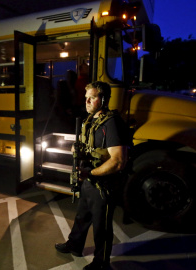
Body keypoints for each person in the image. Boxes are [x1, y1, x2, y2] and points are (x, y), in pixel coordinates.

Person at [55, 81, 129, 270]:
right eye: (86, 97)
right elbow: (85, 144)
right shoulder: (90, 120)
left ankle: (101, 262)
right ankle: (74, 245)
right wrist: (76, 148)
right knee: (82, 217)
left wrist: (90, 172)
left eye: (92, 97)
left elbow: (118, 160)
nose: (87, 101)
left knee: (101, 227)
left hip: (104, 185)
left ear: (103, 99)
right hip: (89, 179)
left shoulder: (111, 123)